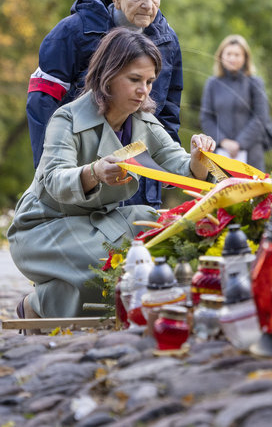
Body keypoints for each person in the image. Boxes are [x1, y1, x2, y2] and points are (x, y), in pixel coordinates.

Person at [8, 28, 215, 321]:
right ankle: (38, 306)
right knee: (120, 263)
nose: (144, 90)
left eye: (149, 81)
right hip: (43, 228)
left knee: (162, 231)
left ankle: (48, 298)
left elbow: (181, 168)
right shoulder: (66, 118)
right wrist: (95, 172)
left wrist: (198, 159)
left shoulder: (145, 122)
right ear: (108, 74)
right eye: (134, 80)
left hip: (95, 223)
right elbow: (53, 180)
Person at [26, 0, 183, 207]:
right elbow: (41, 105)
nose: (148, 5)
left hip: (140, 178)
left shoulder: (168, 41)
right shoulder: (71, 33)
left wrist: (167, 170)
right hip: (83, 172)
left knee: (137, 244)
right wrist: (48, 174)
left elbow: (168, 111)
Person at [200, 34, 271, 171]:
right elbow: (206, 118)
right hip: (220, 152)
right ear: (221, 56)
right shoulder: (212, 84)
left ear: (245, 58)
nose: (232, 58)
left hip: (251, 154)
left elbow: (260, 117)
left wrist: (239, 143)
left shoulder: (255, 83)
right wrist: (223, 141)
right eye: (229, 54)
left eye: (237, 55)